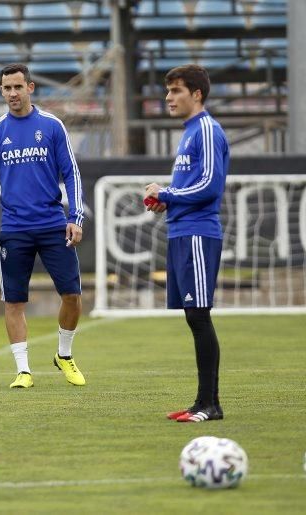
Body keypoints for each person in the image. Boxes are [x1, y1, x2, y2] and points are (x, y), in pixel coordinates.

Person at [0, 63, 86, 389]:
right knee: (13, 301)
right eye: (6, 89)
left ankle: (64, 354)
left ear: (30, 88)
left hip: (52, 224)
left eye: (17, 87)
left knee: (73, 295)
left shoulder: (52, 126)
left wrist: (75, 217)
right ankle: (23, 370)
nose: (12, 94)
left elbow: (71, 174)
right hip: (15, 228)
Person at [145, 65, 228, 423]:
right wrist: (167, 200)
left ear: (197, 94)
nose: (168, 98)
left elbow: (210, 185)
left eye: (176, 91)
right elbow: (190, 186)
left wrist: (166, 192)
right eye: (168, 91)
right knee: (193, 317)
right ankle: (202, 403)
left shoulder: (207, 130)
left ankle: (210, 404)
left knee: (199, 314)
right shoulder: (190, 132)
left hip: (197, 232)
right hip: (180, 230)